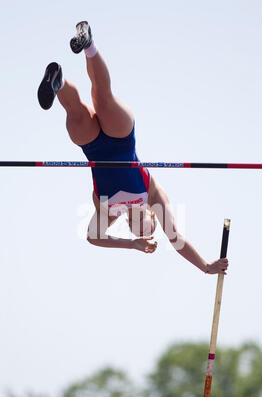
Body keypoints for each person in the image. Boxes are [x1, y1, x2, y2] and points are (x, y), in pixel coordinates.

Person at [37, 21, 228, 274]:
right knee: (102, 98)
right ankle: (88, 44)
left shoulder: (109, 213)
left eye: (136, 230)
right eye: (148, 227)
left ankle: (57, 82)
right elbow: (175, 239)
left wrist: (133, 245)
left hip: (92, 149)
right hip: (121, 139)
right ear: (151, 215)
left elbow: (93, 237)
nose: (142, 229)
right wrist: (205, 266)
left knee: (76, 113)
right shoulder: (153, 195)